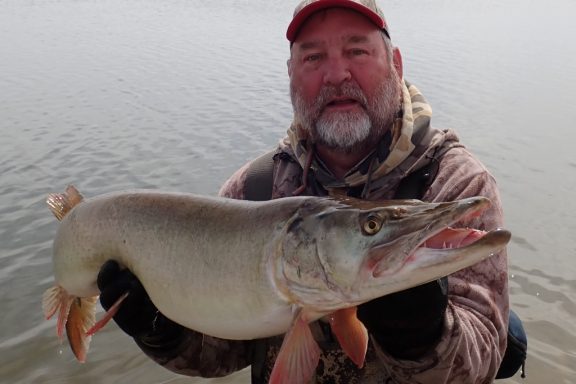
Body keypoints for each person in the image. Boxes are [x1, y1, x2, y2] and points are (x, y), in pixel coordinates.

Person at [97, 0, 526, 382]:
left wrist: (422, 335)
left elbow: (483, 359)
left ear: (396, 63)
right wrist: (161, 331)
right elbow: (221, 355)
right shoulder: (253, 189)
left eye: (357, 51)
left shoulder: (455, 182)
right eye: (313, 57)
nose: (336, 74)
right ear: (291, 75)